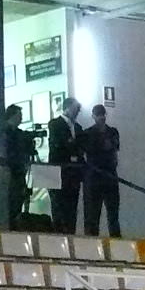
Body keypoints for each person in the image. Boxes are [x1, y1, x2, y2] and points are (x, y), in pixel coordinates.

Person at [79, 103, 122, 239]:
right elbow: (90, 149)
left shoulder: (112, 132)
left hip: (108, 175)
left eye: (102, 114)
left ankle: (115, 240)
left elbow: (114, 149)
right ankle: (92, 242)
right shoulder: (88, 133)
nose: (101, 117)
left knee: (113, 214)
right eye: (98, 115)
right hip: (94, 176)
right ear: (93, 116)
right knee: (92, 215)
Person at [47, 97, 83, 233]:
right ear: (67, 108)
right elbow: (61, 144)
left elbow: (80, 147)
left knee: (72, 209)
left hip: (73, 174)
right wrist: (73, 145)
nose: (77, 111)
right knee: (58, 208)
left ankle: (71, 235)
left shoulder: (78, 127)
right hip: (58, 171)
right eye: (75, 108)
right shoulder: (55, 124)